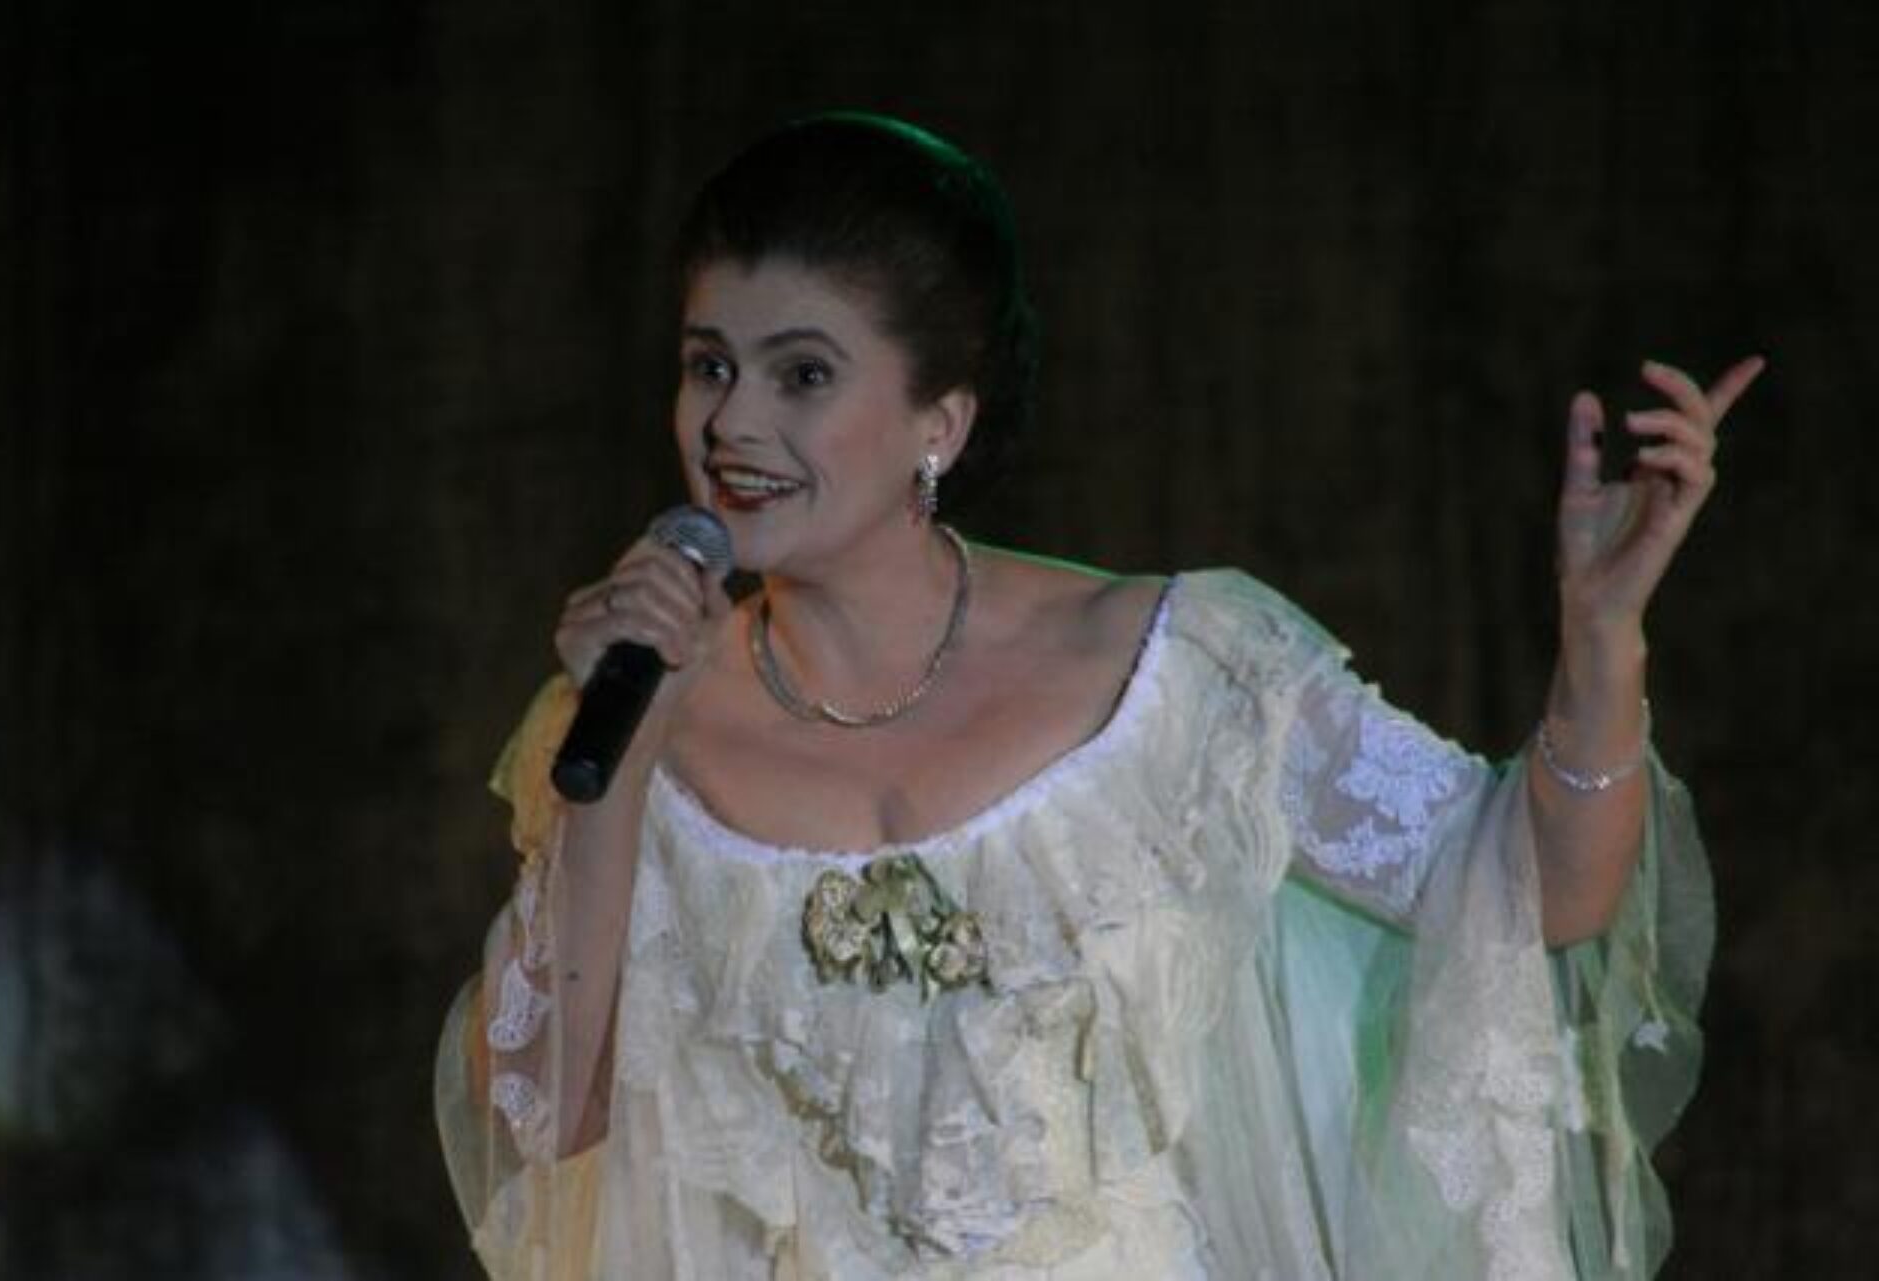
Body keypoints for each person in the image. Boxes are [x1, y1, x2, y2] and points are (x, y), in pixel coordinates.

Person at [434, 112, 1763, 1279]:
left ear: (941, 421)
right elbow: (538, 1117)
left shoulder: (1184, 676)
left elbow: (1539, 889)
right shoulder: (627, 715)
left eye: (803, 374)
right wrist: (624, 755)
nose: (732, 423)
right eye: (709, 364)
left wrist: (1601, 639)